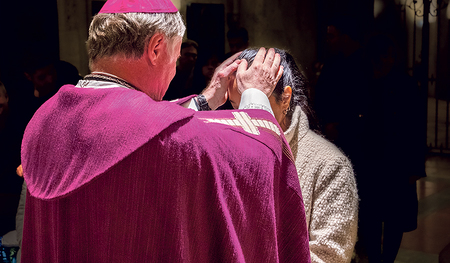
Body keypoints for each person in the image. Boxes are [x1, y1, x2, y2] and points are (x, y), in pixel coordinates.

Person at [20, 0, 311, 262]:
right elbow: (257, 156)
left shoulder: (43, 121)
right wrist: (256, 96)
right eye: (174, 56)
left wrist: (203, 102)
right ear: (156, 48)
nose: (174, 70)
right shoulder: (175, 140)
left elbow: (139, 120)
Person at [227, 48, 359, 263]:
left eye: (256, 103)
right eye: (235, 105)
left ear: (285, 99)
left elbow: (329, 256)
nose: (244, 116)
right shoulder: (229, 147)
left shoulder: (330, 165)